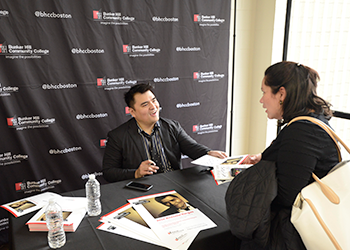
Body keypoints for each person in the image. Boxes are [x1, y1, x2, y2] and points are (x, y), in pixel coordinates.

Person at [237, 61, 339, 249]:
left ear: (281, 94)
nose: (261, 100)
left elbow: (287, 195)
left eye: (264, 92)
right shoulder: (310, 122)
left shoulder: (302, 131)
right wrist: (264, 158)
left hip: (290, 236)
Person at [102, 83, 227, 182]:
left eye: (154, 100)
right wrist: (136, 173)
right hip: (143, 189)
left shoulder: (172, 126)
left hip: (174, 184)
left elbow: (192, 148)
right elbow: (109, 172)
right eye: (145, 104)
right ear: (132, 112)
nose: (153, 106)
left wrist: (209, 153)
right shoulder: (118, 136)